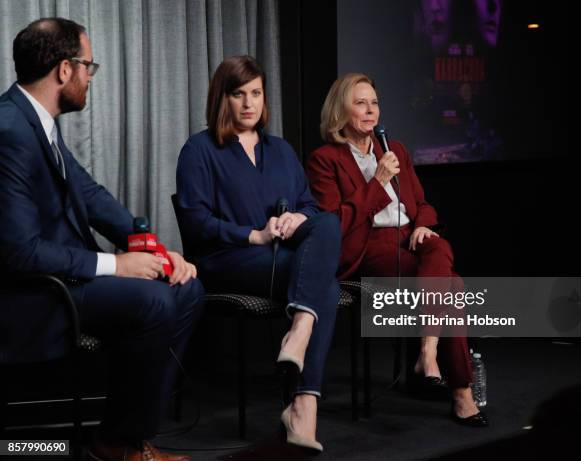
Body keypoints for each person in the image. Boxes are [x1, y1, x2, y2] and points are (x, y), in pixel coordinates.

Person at [0, 18, 204, 460]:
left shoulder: (37, 121)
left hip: (63, 279)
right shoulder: (10, 129)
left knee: (185, 287)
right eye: (88, 67)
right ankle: (120, 446)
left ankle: (126, 437)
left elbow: (90, 196)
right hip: (31, 293)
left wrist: (152, 247)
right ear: (64, 70)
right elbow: (19, 252)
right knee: (153, 301)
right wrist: (118, 264)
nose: (90, 77)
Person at [175, 55, 341, 452]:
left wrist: (296, 219)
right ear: (222, 98)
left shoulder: (281, 150)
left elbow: (311, 206)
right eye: (238, 94)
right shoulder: (198, 150)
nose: (249, 103)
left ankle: (300, 346)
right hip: (225, 259)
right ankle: (303, 404)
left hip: (282, 258)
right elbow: (196, 221)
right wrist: (254, 235)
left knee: (329, 223)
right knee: (326, 288)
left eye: (256, 93)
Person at [306, 73, 488, 427]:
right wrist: (378, 183)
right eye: (360, 103)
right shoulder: (325, 159)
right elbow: (334, 223)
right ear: (340, 110)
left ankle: (428, 352)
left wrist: (422, 224)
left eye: (374, 102)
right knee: (453, 285)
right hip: (365, 246)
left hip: (408, 237)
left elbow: (421, 203)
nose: (370, 110)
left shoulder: (394, 149)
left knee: (439, 245)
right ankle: (459, 390)